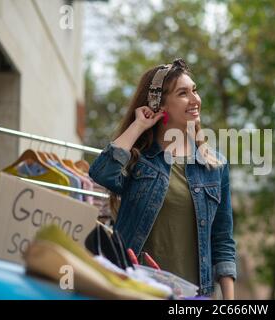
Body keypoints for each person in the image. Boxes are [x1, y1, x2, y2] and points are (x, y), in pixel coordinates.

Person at [89, 58, 236, 299]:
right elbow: (102, 173)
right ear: (159, 103)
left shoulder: (215, 166)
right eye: (183, 93)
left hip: (194, 296)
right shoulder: (139, 161)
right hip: (136, 290)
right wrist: (139, 125)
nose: (195, 99)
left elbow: (223, 240)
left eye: (194, 90)